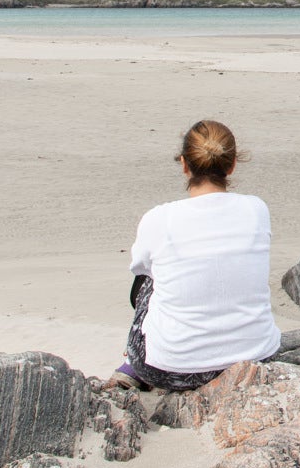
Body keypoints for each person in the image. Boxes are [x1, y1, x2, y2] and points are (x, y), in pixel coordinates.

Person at [109, 119, 282, 391]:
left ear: (184, 164)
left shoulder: (159, 218)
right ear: (233, 164)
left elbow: (140, 273)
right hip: (256, 356)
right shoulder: (256, 209)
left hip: (170, 369)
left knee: (150, 279)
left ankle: (132, 366)